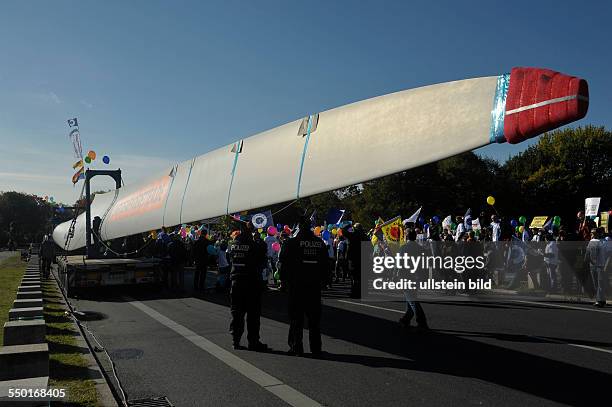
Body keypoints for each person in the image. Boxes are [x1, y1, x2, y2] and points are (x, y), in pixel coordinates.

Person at [278, 216, 328, 356]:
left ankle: (296, 347)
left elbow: (284, 264)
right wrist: (324, 282)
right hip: (314, 286)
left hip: (297, 285)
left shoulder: (291, 243)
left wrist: (283, 282)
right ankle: (316, 348)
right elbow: (326, 264)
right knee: (314, 320)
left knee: (296, 319)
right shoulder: (320, 243)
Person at [227, 222, 268, 351]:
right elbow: (262, 257)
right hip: (251, 283)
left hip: (236, 282)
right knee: (253, 314)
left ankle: (236, 340)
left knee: (236, 313)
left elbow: (230, 259)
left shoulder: (233, 244)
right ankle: (253, 341)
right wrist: (258, 241)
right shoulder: (254, 245)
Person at [398, 229, 429, 330]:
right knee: (410, 298)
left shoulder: (404, 248)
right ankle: (406, 319)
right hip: (417, 276)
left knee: (412, 300)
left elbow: (400, 263)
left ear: (407, 237)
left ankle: (422, 322)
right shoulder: (420, 248)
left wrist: (395, 275)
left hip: (407, 276)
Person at [585, 229, 607, 307]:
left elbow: (588, 254)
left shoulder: (599, 242)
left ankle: (599, 300)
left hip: (598, 265)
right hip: (597, 265)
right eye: (591, 233)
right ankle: (602, 300)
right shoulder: (596, 241)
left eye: (593, 233)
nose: (592, 234)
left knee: (598, 283)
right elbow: (588, 253)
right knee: (598, 284)